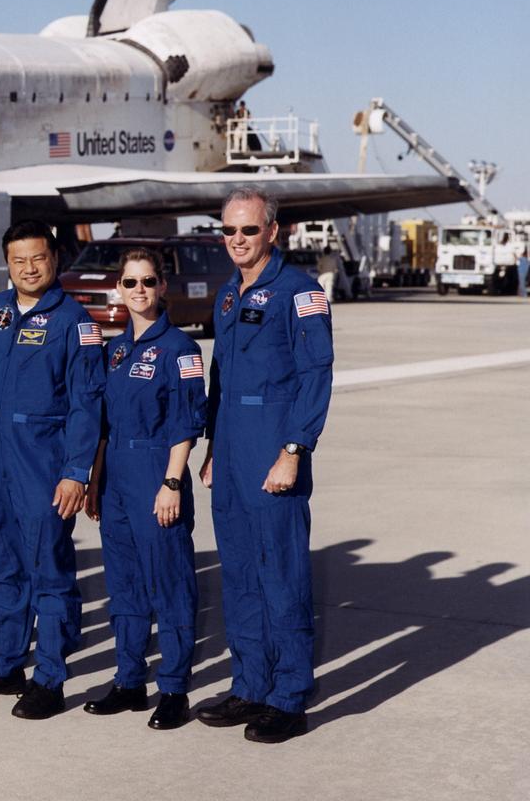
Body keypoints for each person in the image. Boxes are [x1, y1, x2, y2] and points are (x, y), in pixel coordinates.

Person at [197, 186, 334, 743]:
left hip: (274, 445)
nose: (237, 239)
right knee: (239, 574)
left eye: (248, 229)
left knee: (281, 573)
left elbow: (316, 374)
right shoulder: (228, 295)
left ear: (272, 232)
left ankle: (289, 696)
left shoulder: (300, 292)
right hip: (231, 449)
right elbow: (219, 377)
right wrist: (213, 447)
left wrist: (294, 450)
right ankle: (251, 685)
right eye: (228, 230)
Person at [0, 221, 104, 719]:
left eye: (38, 258)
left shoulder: (74, 321)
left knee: (48, 570)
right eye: (19, 260)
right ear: (7, 264)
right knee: (0, 566)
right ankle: (5, 664)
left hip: (43, 461)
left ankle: (50, 677)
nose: (29, 268)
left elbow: (87, 403)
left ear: (55, 259)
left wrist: (76, 471)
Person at [83, 247, 205, 730]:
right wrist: (95, 479)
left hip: (156, 469)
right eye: (131, 282)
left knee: (169, 583)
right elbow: (103, 424)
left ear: (162, 287)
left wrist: (172, 481)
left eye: (148, 281)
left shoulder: (180, 348)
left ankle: (174, 688)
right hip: (115, 476)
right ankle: (130, 680)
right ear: (119, 288)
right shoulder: (114, 351)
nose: (139, 290)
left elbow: (186, 423)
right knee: (124, 586)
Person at [316, 246, 340, 310]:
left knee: (321, 287)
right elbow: (335, 269)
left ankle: (321, 300)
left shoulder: (322, 259)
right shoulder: (333, 259)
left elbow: (318, 267)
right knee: (329, 287)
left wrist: (320, 271)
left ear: (324, 252)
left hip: (322, 274)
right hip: (330, 274)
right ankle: (328, 300)